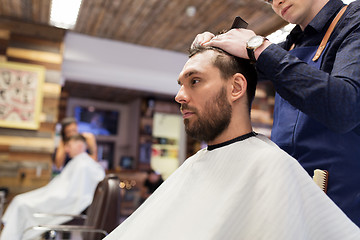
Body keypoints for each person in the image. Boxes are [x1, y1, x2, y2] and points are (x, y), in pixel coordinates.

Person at [103, 46, 360, 240]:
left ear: (236, 87)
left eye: (195, 81)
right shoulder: (198, 163)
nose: (179, 96)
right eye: (181, 85)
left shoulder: (270, 166)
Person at [192, 0, 360, 226]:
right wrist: (213, 48)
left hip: (345, 212)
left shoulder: (354, 20)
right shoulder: (291, 45)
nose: (276, 2)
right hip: (290, 202)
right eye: (268, 0)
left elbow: (345, 108)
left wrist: (258, 47)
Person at [0, 134, 105, 240]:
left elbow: (72, 194)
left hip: (62, 201)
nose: (66, 149)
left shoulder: (84, 165)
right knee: (19, 201)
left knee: (20, 203)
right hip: (57, 197)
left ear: (79, 146)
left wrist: (48, 196)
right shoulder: (79, 162)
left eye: (69, 146)